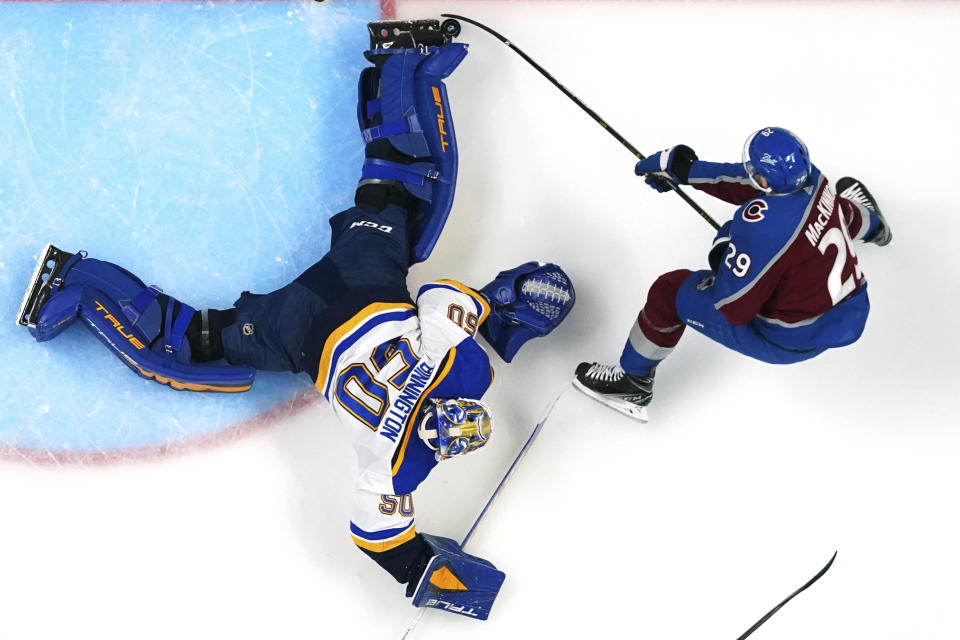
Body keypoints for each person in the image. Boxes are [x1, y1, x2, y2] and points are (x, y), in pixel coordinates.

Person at [15, 19, 575, 621]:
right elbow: (376, 537)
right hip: (292, 333)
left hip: (362, 283)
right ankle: (73, 278)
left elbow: (443, 295)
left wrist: (492, 305)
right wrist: (426, 574)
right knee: (183, 346)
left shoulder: (459, 373)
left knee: (404, 192)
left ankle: (401, 60)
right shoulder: (396, 467)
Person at [573, 127, 890, 421]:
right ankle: (876, 226)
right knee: (836, 209)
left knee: (670, 291)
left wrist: (725, 250)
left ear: (765, 181)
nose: (750, 175)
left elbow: (734, 307)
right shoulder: (814, 179)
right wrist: (686, 171)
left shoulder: (762, 231)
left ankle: (632, 383)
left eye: (756, 173)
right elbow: (750, 185)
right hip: (852, 308)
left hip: (789, 340)